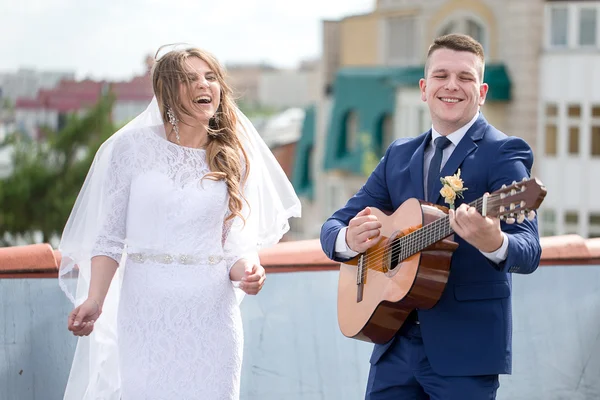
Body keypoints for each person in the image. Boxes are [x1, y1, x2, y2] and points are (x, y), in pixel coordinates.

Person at [58, 45, 301, 400]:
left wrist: (249, 271)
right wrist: (95, 299)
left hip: (213, 318)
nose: (205, 85)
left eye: (211, 77)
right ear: (167, 92)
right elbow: (109, 238)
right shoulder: (130, 148)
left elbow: (235, 244)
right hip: (145, 312)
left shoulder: (235, 156)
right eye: (190, 79)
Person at [320, 34, 541, 399]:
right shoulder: (398, 154)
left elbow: (529, 249)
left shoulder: (504, 152)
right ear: (424, 88)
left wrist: (495, 242)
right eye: (441, 76)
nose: (452, 85)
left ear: (482, 91)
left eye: (465, 78)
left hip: (465, 351)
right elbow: (333, 226)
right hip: (392, 342)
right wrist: (349, 239)